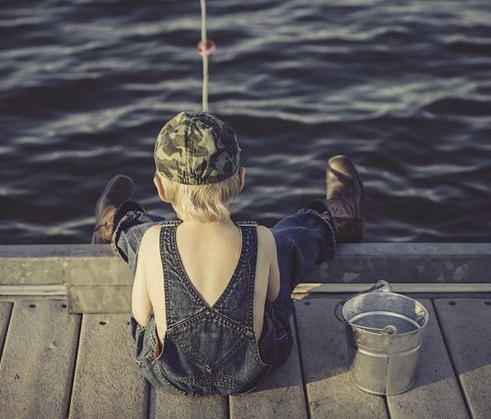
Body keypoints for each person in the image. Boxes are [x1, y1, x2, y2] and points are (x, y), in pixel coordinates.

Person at [91, 111, 363, 396]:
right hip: (251, 371)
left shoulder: (153, 240)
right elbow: (274, 297)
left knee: (145, 240)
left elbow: (141, 316)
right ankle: (332, 221)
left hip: (170, 373)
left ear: (160, 188)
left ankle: (120, 222)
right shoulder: (262, 238)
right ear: (241, 179)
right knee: (284, 245)